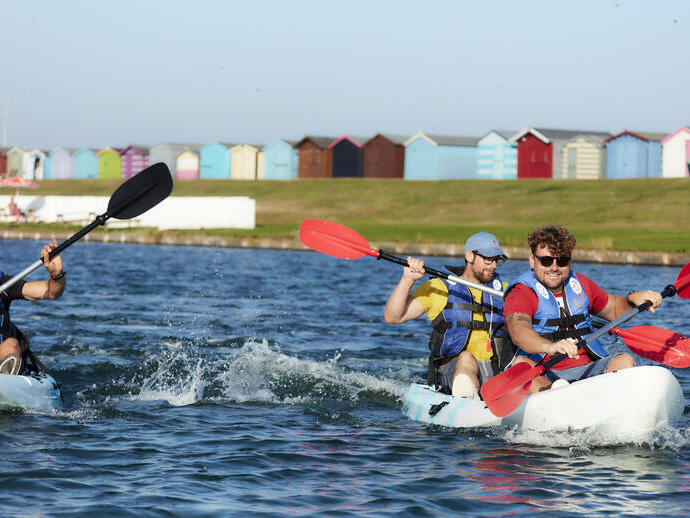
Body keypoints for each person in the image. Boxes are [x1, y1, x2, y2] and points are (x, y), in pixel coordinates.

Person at [503, 225, 663, 393]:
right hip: (544, 371)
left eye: (562, 260)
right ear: (532, 259)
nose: (554, 267)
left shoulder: (581, 284)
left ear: (570, 261)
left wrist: (633, 299)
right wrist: (549, 347)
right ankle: (555, 396)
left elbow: (614, 308)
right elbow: (518, 332)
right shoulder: (521, 293)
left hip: (587, 369)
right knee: (522, 365)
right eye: (546, 261)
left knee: (624, 361)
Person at [384, 232, 511, 399]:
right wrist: (408, 279)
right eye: (488, 259)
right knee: (466, 358)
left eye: (496, 260)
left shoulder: (506, 291)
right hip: (454, 374)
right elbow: (393, 317)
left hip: (495, 371)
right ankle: (466, 397)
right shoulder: (438, 288)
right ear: (469, 256)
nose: (493, 265)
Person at [0, 240, 66, 375]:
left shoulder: (5, 285)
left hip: (4, 361)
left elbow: (52, 292)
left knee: (10, 345)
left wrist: (56, 274)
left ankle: (10, 379)